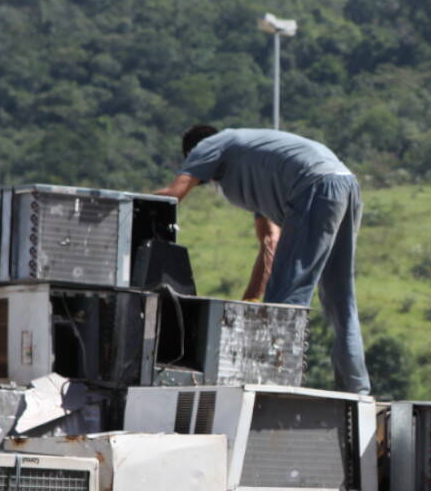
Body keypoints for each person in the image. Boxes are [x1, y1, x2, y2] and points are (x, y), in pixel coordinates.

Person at [154, 125, 369, 394]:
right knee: (340, 297)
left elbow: (172, 197)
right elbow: (271, 241)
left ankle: (278, 386)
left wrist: (128, 207)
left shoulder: (211, 144)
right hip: (345, 183)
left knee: (287, 298)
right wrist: (252, 298)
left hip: (314, 186)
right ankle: (356, 389)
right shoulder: (251, 169)